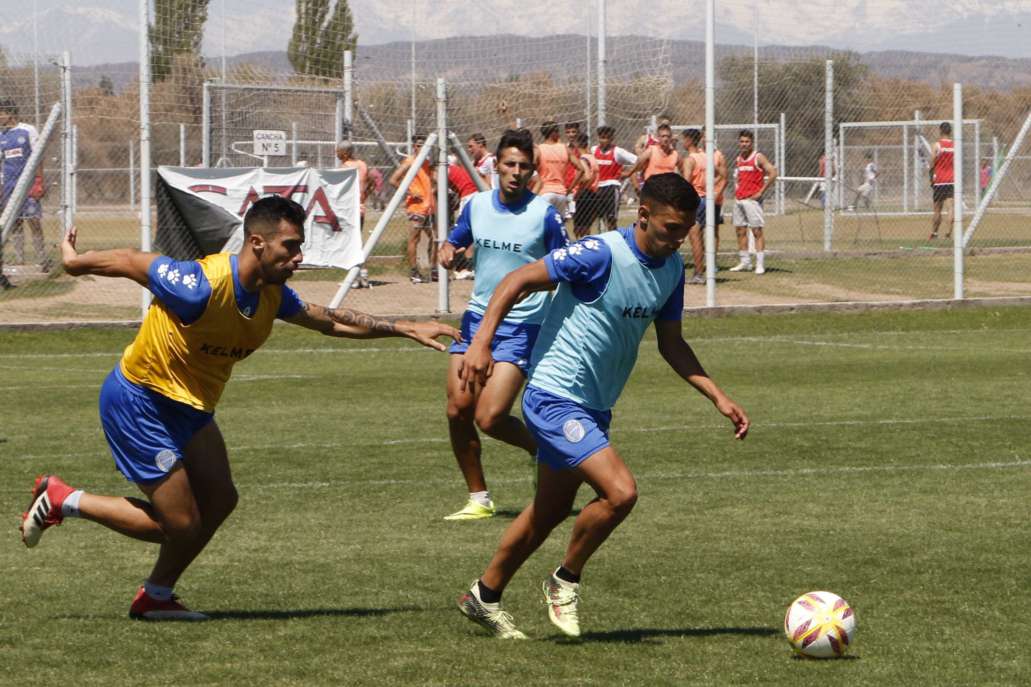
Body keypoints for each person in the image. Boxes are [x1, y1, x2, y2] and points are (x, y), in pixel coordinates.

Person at [19, 196, 459, 620]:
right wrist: (76, 262)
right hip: (141, 400)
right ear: (257, 244)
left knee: (221, 499)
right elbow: (133, 260)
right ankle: (63, 498)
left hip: (191, 408)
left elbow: (329, 320)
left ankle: (156, 596)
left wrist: (402, 327)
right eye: (290, 246)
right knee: (180, 525)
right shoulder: (201, 285)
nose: (298, 257)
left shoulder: (273, 296)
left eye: (300, 247)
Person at [455, 173, 749, 639]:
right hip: (553, 396)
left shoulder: (671, 271)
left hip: (594, 407)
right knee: (620, 493)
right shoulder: (599, 253)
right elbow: (517, 279)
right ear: (644, 215)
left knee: (547, 514)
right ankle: (564, 579)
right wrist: (481, 344)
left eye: (686, 229)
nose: (678, 239)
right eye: (671, 228)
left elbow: (671, 344)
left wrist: (718, 396)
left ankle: (484, 595)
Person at [438, 128, 568, 521]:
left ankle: (542, 449)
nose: (516, 172)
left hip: (523, 327)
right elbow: (455, 239)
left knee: (490, 416)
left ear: (533, 171)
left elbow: (564, 266)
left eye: (524, 166)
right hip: (477, 320)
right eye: (509, 164)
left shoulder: (543, 213)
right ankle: (479, 498)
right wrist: (448, 249)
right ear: (496, 165)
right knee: (458, 410)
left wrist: (537, 283)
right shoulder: (476, 205)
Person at [0, 99, 50, 289]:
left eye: (1, 113)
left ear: (10, 113)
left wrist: (38, 182)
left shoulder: (28, 130)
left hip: (28, 185)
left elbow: (38, 157)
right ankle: (20, 260)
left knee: (34, 220)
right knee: (15, 223)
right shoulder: (1, 135)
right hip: (9, 186)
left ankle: (42, 259)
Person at [679, 128, 727, 283]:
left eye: (683, 139)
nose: (682, 142)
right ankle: (699, 272)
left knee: (694, 238)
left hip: (695, 199)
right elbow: (722, 174)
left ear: (689, 140)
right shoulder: (706, 157)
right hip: (707, 199)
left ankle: (698, 274)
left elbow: (686, 183)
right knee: (699, 236)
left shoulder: (690, 159)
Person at [389, 134, 437, 283]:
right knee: (414, 239)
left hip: (429, 207)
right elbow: (393, 180)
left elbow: (432, 182)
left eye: (424, 145)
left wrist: (432, 192)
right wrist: (410, 192)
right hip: (416, 208)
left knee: (436, 238)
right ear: (414, 147)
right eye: (418, 145)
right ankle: (414, 271)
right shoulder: (410, 161)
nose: (421, 147)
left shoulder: (427, 163)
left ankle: (433, 269)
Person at [728, 130, 777, 275]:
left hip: (752, 200)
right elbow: (739, 178)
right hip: (739, 199)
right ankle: (745, 262)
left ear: (752, 142)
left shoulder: (758, 157)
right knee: (740, 230)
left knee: (756, 231)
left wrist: (761, 191)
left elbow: (773, 172)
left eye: (747, 142)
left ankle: (760, 264)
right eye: (742, 141)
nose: (744, 144)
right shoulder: (739, 158)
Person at [532, 121, 586, 218]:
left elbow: (531, 167)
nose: (559, 134)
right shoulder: (564, 148)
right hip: (561, 193)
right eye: (557, 131)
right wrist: (570, 189)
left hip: (544, 192)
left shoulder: (539, 149)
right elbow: (581, 169)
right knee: (559, 226)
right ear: (553, 133)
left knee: (542, 224)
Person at [592, 125, 637, 232]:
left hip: (611, 187)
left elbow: (637, 160)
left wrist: (628, 173)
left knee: (611, 219)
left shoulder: (617, 151)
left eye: (607, 138)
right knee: (600, 219)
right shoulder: (593, 150)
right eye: (601, 138)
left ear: (612, 138)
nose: (604, 141)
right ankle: (602, 240)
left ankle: (613, 237)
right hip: (597, 188)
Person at [571, 132, 600, 239]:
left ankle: (579, 246)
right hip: (593, 194)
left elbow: (587, 177)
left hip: (584, 194)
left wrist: (579, 190)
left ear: (577, 144)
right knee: (587, 226)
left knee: (578, 227)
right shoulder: (592, 157)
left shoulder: (583, 159)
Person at [929, 123, 955, 240]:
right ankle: (949, 233)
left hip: (939, 181)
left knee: (937, 209)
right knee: (950, 208)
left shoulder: (937, 145)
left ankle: (934, 233)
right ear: (950, 131)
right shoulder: (954, 145)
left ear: (940, 131)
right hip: (951, 180)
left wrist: (931, 175)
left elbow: (932, 162)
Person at [335, 141, 368, 230]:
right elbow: (369, 182)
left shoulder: (344, 167)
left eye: (338, 151)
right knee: (358, 236)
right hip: (360, 206)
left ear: (345, 154)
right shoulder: (362, 164)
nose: (336, 153)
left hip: (348, 208)